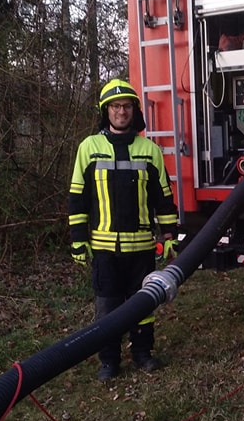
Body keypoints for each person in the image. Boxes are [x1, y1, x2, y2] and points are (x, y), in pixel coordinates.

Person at [69, 78, 178, 381]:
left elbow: (163, 198)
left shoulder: (150, 150)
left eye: (126, 106)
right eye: (115, 106)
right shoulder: (89, 148)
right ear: (105, 111)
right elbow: (77, 198)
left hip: (141, 247)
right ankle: (109, 361)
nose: (121, 112)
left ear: (134, 110)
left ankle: (143, 353)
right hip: (104, 249)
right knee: (107, 307)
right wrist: (78, 240)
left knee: (144, 305)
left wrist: (169, 236)